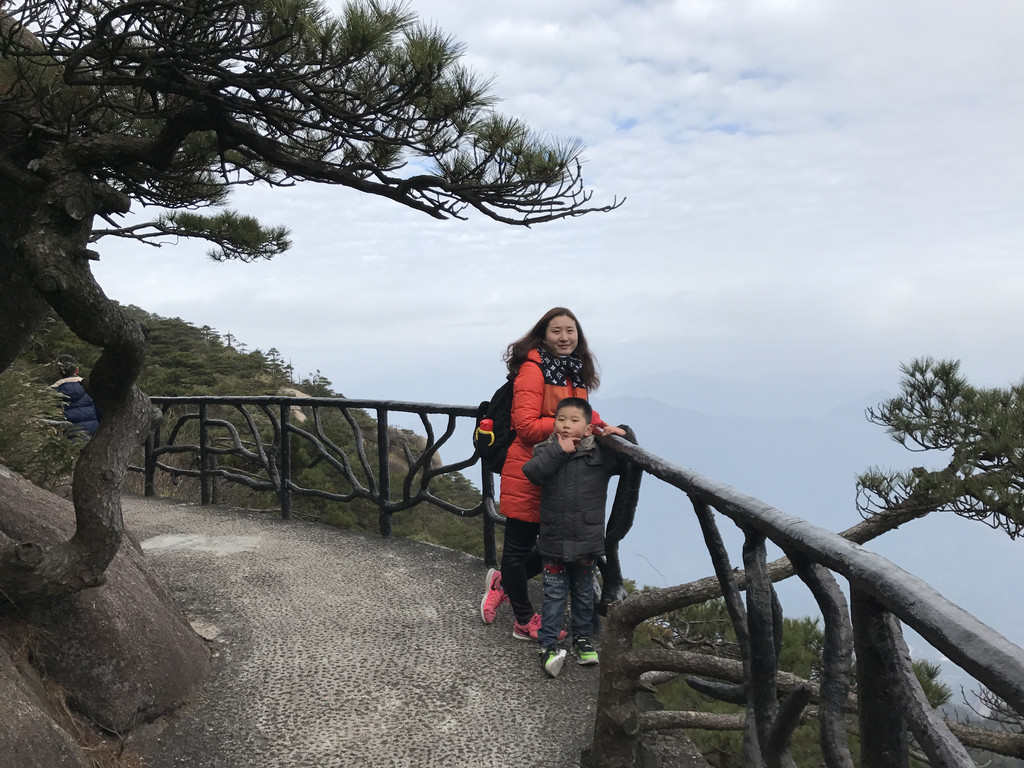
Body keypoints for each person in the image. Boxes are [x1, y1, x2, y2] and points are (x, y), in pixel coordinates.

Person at [479, 307, 626, 642]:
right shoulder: (534, 369)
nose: (564, 337)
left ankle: (502, 583)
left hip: (561, 472)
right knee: (519, 548)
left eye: (570, 331)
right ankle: (523, 619)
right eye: (557, 331)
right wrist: (574, 429)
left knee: (548, 548)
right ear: (544, 335)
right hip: (529, 470)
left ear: (579, 335)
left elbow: (576, 411)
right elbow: (527, 426)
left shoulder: (572, 370)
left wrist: (598, 425)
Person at [522, 397, 623, 677]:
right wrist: (559, 451)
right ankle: (548, 644)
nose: (566, 425)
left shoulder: (601, 455)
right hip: (553, 541)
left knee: (583, 593)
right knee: (553, 594)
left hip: (587, 541)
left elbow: (628, 460)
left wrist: (625, 431)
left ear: (589, 429)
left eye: (574, 421)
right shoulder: (545, 449)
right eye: (561, 419)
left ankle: (582, 639)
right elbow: (532, 473)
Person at [52, 354, 102, 436]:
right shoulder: (90, 387)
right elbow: (100, 412)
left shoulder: (52, 393)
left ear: (57, 372)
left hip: (67, 438)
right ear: (77, 370)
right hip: (93, 435)